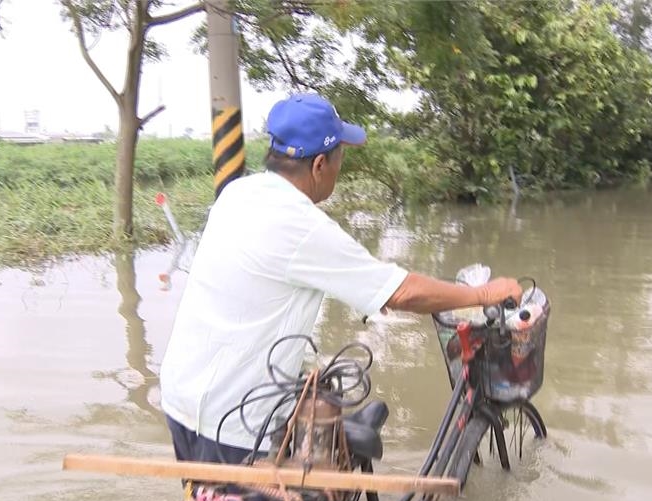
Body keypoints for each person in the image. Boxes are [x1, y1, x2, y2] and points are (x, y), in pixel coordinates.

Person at [160, 93, 522, 465]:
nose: (338, 169)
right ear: (319, 164)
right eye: (339, 160)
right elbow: (402, 292)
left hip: (181, 393)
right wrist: (482, 293)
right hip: (234, 416)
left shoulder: (236, 193)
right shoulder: (303, 226)